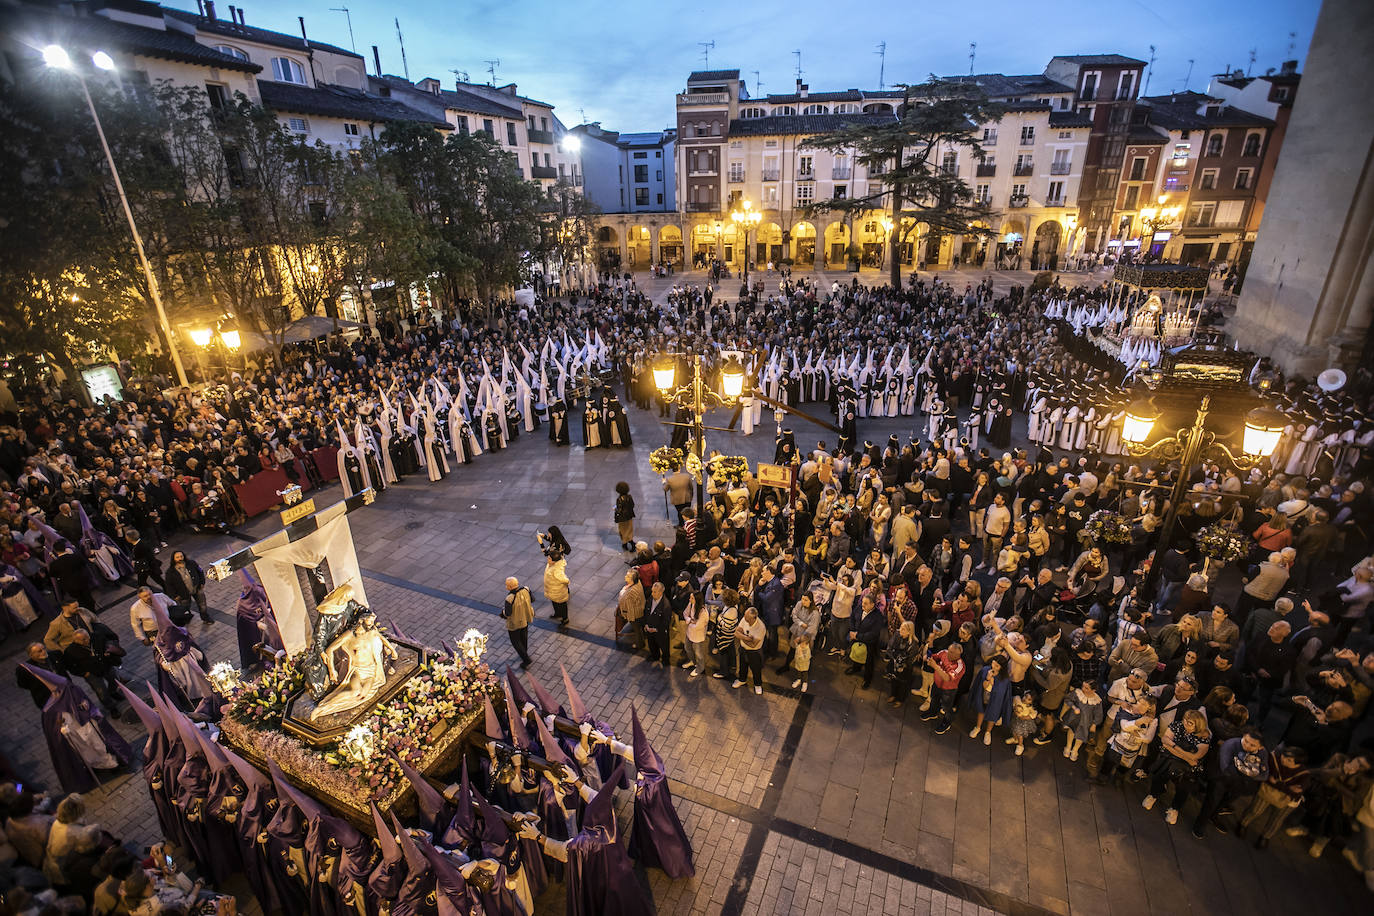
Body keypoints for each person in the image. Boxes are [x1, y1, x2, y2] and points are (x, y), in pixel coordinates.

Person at [1239, 745, 1310, 848]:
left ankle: (1265, 837)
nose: (1284, 759)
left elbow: (1296, 793)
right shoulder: (1275, 758)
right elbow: (1264, 774)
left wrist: (1276, 783)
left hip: (1288, 800)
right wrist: (1288, 788)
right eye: (1284, 756)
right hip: (1268, 791)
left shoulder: (1304, 775)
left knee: (1276, 820)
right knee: (1255, 810)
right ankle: (1242, 824)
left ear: (1297, 764)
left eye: (1289, 760)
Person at [967, 656, 1012, 746]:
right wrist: (988, 679)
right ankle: (978, 727)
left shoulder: (1005, 680)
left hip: (995, 701)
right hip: (983, 696)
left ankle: (988, 732)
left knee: (992, 716)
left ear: (1001, 668)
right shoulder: (985, 670)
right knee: (981, 711)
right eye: (993, 663)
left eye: (997, 666)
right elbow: (982, 685)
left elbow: (1004, 694)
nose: (993, 667)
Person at [162, 551, 209, 623]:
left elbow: (200, 571)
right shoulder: (170, 572)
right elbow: (169, 585)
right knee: (185, 608)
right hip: (183, 594)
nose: (180, 558)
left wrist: (202, 582)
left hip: (197, 588)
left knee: (202, 605)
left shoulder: (192, 563)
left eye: (181, 556)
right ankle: (187, 618)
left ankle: (206, 618)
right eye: (177, 557)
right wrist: (175, 595)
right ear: (173, 559)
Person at [884, 620, 921, 708]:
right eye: (901, 628)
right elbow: (890, 646)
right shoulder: (897, 634)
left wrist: (902, 664)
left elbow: (911, 658)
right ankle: (893, 695)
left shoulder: (914, 643)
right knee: (893, 680)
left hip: (905, 667)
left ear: (909, 632)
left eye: (903, 629)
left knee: (903, 684)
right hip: (895, 663)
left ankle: (900, 699)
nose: (900, 630)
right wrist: (894, 659)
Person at [502, 577, 534, 668]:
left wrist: (502, 613)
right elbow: (533, 600)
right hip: (525, 618)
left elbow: (508, 613)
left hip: (514, 623)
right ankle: (524, 652)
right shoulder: (526, 589)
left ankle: (526, 659)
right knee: (524, 637)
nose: (506, 586)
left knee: (515, 641)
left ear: (510, 587)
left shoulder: (509, 598)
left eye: (507, 585)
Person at [734, 607, 766, 695]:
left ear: (753, 618)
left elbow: (753, 645)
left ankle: (758, 684)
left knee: (756, 669)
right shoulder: (745, 619)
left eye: (746, 617)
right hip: (743, 649)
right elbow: (736, 632)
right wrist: (746, 638)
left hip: (754, 652)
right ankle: (742, 680)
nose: (744, 618)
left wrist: (741, 637)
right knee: (742, 666)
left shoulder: (760, 627)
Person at [642, 581, 672, 667]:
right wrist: (646, 624)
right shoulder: (650, 598)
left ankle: (665, 660)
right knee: (652, 644)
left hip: (660, 631)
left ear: (661, 592)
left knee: (664, 646)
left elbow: (666, 621)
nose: (652, 593)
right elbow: (646, 612)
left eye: (654, 592)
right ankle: (655, 656)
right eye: (652, 591)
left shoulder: (666, 605)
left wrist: (656, 629)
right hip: (649, 628)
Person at [616, 570, 645, 649]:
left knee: (637, 630)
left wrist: (629, 618)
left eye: (628, 576)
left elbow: (625, 604)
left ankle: (640, 644)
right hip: (640, 608)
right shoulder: (638, 582)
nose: (625, 577)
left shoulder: (630, 592)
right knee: (639, 628)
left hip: (635, 614)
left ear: (632, 579)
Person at [543, 549, 571, 627]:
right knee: (554, 602)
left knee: (562, 605)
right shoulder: (551, 564)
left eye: (549, 558)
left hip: (558, 591)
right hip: (552, 590)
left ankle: (565, 619)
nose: (547, 559)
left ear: (554, 561)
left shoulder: (557, 570)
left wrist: (567, 582)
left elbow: (564, 580)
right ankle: (557, 614)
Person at [614, 481, 636, 551]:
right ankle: (632, 543)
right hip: (629, 516)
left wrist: (615, 509)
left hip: (622, 518)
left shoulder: (619, 499)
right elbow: (633, 505)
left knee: (623, 531)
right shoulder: (630, 497)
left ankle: (625, 544)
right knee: (629, 530)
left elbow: (619, 510)